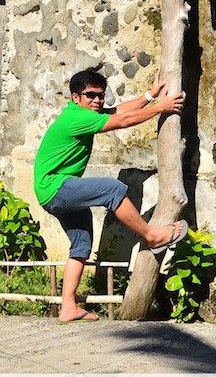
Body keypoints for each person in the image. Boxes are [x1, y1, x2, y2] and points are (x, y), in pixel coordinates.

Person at [34, 68, 188, 324]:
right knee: (112, 189)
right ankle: (152, 236)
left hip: (55, 189)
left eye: (101, 95)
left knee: (81, 244)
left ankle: (68, 307)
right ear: (76, 98)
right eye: (90, 95)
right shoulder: (76, 118)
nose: (97, 100)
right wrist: (162, 107)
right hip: (55, 187)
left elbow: (121, 111)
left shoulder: (84, 114)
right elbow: (124, 121)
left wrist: (149, 96)